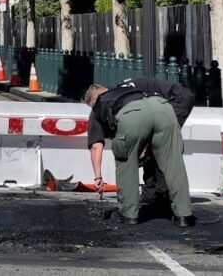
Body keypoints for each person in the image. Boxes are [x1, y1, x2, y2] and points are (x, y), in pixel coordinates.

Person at [83, 79, 193, 227]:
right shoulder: (125, 87)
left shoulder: (99, 104)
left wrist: (98, 177)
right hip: (162, 107)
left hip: (132, 115)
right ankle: (183, 215)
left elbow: (96, 146)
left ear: (94, 99)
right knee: (174, 163)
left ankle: (129, 214)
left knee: (126, 163)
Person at [118, 77, 195, 209]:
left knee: (161, 145)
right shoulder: (124, 92)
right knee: (154, 144)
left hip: (177, 100)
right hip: (173, 100)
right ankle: (154, 192)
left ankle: (159, 193)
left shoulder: (124, 98)